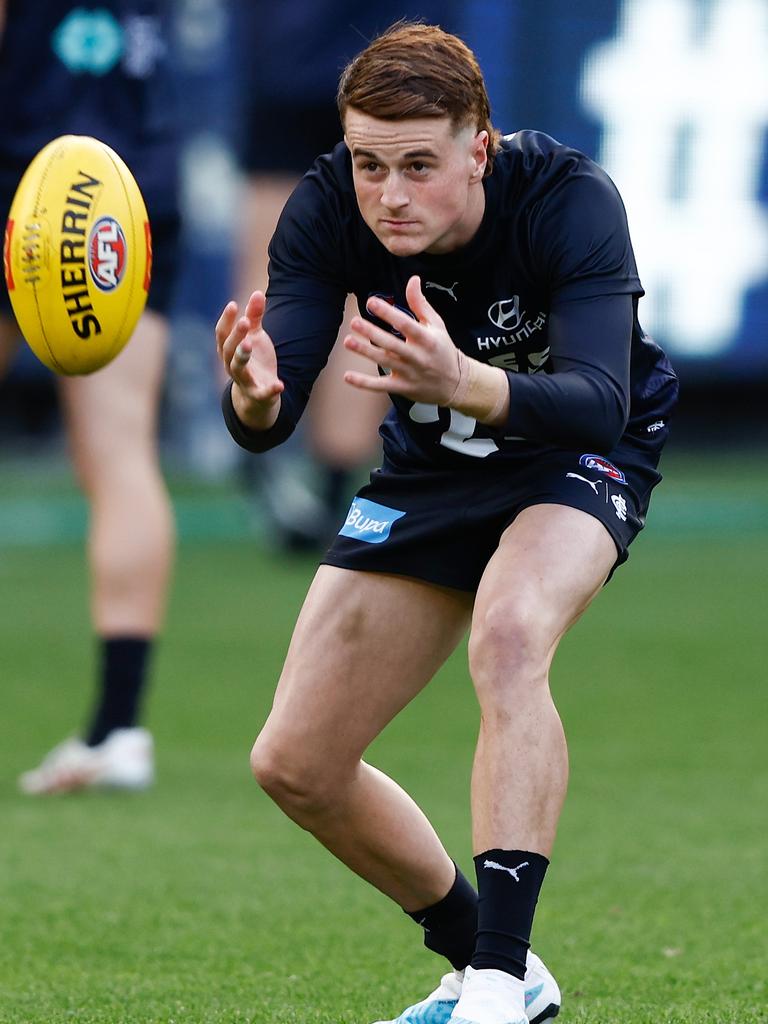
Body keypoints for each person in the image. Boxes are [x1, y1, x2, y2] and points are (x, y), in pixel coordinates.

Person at [216, 22, 678, 1024]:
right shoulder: (328, 205)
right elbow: (277, 399)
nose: (389, 194)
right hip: (434, 471)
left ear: (482, 146)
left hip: (579, 454)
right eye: (370, 163)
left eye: (419, 165)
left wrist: (465, 380)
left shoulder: (569, 198)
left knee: (511, 635)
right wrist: (253, 399)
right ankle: (484, 958)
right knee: (294, 762)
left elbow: (601, 395)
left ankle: (499, 990)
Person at [0, 0, 179, 794]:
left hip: (18, 161)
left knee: (116, 458)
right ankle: (118, 726)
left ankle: (115, 729)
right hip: (126, 177)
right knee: (122, 454)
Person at [234, 2, 458, 549]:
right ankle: (333, 484)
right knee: (379, 269)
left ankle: (263, 434)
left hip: (294, 53)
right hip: (398, 62)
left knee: (275, 252)